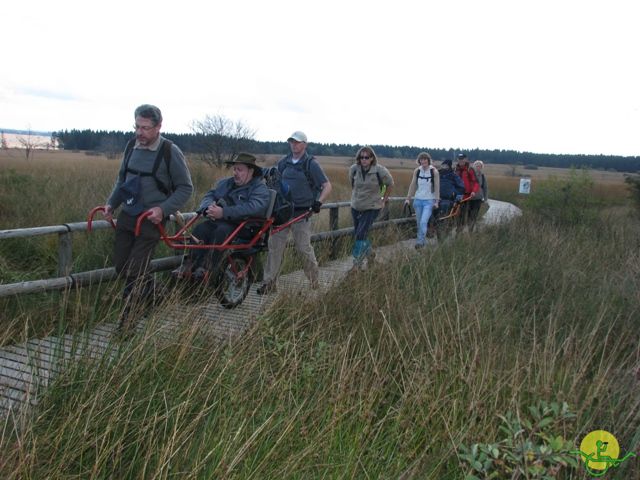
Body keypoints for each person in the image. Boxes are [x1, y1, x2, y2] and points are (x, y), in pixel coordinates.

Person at [104, 104, 193, 333]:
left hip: (151, 220)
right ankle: (159, 295)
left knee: (135, 270)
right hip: (128, 215)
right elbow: (122, 180)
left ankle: (127, 325)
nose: (139, 132)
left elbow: (185, 188)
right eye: (137, 126)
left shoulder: (169, 151)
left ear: (158, 127)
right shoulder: (130, 146)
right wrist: (111, 204)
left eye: (145, 128)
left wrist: (163, 210)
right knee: (122, 266)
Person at [171, 153, 271, 281]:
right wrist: (208, 207)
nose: (235, 173)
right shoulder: (226, 183)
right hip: (222, 222)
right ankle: (190, 265)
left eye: (240, 170)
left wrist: (224, 212)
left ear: (250, 171)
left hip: (245, 226)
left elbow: (254, 208)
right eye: (234, 169)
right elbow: (209, 195)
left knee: (221, 232)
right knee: (200, 229)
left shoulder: (259, 188)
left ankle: (206, 268)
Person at [257, 131, 332, 294]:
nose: (294, 145)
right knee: (274, 247)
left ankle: (314, 280)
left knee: (303, 248)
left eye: (298, 142)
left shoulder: (311, 164)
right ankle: (269, 283)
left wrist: (319, 202)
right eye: (292, 142)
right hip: (283, 212)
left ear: (305, 144)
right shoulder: (283, 162)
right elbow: (275, 180)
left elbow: (327, 185)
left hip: (302, 213)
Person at [348, 146, 394, 270]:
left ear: (372, 158)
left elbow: (390, 184)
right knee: (359, 233)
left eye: (366, 157)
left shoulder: (380, 170)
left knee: (360, 234)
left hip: (372, 206)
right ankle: (371, 254)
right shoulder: (353, 169)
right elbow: (352, 184)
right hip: (356, 205)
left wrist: (384, 199)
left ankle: (356, 264)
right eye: (361, 157)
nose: (364, 160)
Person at [404, 152, 440, 249]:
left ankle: (419, 242)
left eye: (425, 159)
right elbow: (412, 185)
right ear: (419, 161)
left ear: (428, 160)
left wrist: (436, 201)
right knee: (419, 222)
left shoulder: (434, 172)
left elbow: (437, 187)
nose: (423, 161)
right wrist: (408, 198)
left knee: (424, 222)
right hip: (418, 200)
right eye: (421, 159)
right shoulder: (417, 171)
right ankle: (422, 242)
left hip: (429, 200)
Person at [454, 153, 481, 231]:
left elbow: (476, 182)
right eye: (459, 159)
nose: (461, 160)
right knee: (458, 213)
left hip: (468, 196)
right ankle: (459, 228)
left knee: (469, 214)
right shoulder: (455, 169)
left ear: (465, 159)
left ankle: (469, 229)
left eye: (462, 159)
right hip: (457, 195)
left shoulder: (470, 169)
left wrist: (474, 192)